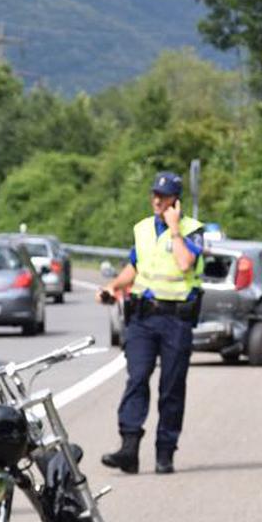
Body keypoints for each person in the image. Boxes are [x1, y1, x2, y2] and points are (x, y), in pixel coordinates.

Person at [96, 171, 205, 474]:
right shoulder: (142, 229)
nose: (157, 200)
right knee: (137, 378)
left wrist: (173, 230)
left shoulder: (192, 230)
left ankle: (165, 452)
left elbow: (185, 263)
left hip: (176, 319)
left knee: (171, 387)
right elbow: (135, 265)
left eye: (164, 195)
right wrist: (113, 287)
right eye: (154, 194)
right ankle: (129, 448)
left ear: (176, 199)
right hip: (143, 317)